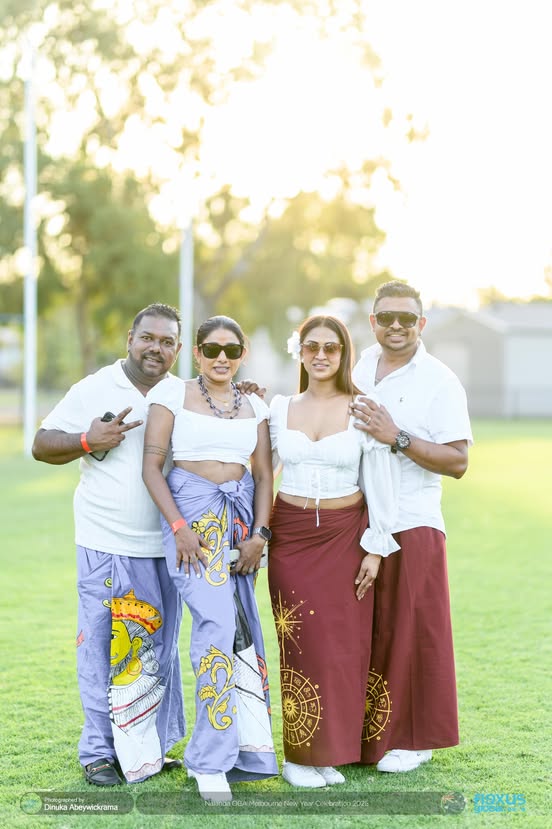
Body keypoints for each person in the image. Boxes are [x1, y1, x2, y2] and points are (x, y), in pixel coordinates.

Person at [32, 303, 186, 786]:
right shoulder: (96, 387)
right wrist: (86, 439)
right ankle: (98, 753)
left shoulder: (182, 393)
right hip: (106, 542)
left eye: (166, 342)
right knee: (101, 648)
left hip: (165, 545)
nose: (155, 348)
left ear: (178, 350)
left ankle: (146, 751)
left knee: (157, 651)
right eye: (148, 338)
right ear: (129, 337)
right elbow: (40, 443)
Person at [142, 315, 278, 803]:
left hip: (241, 523)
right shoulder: (171, 395)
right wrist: (178, 527)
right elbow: (152, 468)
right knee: (216, 626)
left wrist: (260, 536)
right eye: (212, 348)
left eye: (232, 349)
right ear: (196, 352)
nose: (222, 357)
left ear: (242, 355)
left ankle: (246, 749)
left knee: (241, 629)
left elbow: (263, 474)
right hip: (192, 525)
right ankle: (209, 761)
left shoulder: (256, 405)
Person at [268, 314, 401, 789]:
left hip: (347, 536)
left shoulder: (363, 408)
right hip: (291, 537)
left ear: (344, 354)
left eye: (331, 347)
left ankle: (330, 754)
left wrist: (376, 548)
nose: (321, 355)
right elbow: (264, 474)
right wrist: (260, 535)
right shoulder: (279, 407)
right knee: (301, 645)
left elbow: (380, 483)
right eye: (312, 346)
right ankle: (299, 757)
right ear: (299, 352)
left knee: (343, 647)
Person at [350, 280, 473, 773]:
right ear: (373, 322)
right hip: (357, 519)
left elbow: (458, 460)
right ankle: (366, 732)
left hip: (412, 522)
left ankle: (414, 738)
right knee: (369, 630)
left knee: (413, 629)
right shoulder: (358, 366)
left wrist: (395, 435)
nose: (396, 326)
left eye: (406, 318)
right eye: (386, 318)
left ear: (421, 324)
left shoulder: (439, 381)